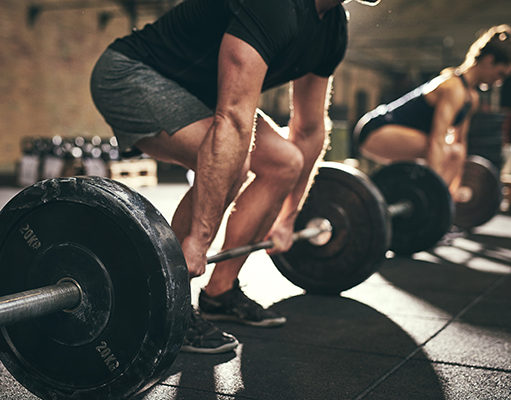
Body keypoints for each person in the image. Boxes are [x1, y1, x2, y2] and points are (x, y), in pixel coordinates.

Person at [91, 0, 381, 354]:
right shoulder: (279, 6)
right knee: (233, 165)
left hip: (200, 94)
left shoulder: (332, 25)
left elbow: (308, 130)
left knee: (285, 162)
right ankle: (167, 307)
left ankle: (220, 292)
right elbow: (232, 118)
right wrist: (198, 240)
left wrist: (289, 217)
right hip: (132, 74)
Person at [354, 24, 511, 198]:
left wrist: (455, 189)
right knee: (445, 150)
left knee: (455, 151)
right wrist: (435, 193)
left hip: (403, 136)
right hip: (374, 130)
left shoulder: (471, 98)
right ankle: (432, 198)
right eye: (501, 74)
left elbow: (461, 143)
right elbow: (436, 142)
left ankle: (437, 201)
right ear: (489, 61)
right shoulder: (453, 87)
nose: (499, 81)